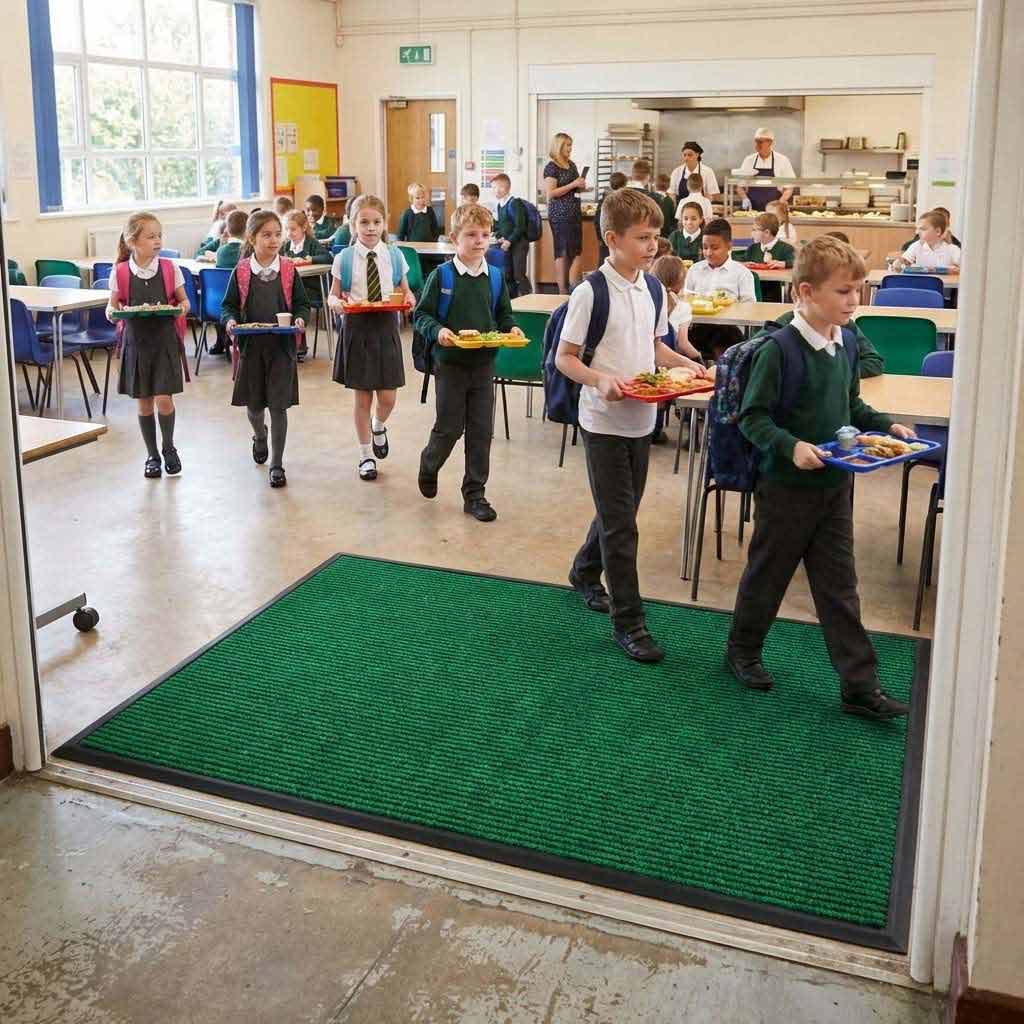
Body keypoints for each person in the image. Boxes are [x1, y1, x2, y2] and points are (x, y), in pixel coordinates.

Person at [725, 236, 915, 720]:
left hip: (835, 485)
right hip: (786, 488)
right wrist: (792, 446)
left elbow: (851, 405)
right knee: (768, 575)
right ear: (806, 292)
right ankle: (742, 651)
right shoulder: (780, 349)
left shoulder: (846, 342)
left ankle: (859, 687)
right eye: (844, 291)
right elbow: (753, 417)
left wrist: (886, 424)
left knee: (840, 587)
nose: (855, 301)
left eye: (859, 290)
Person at [555, 189, 706, 663]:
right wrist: (600, 380)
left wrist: (688, 364)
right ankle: (630, 624)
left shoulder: (654, 289)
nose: (651, 245)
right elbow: (565, 358)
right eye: (641, 237)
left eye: (655, 236)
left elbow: (655, 346)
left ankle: (584, 569)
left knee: (619, 511)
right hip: (602, 421)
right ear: (612, 239)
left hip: (643, 417)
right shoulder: (590, 293)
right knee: (622, 525)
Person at [414, 203, 524, 521]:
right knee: (449, 428)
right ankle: (430, 462)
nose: (479, 241)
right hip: (450, 363)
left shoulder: (495, 277)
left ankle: (475, 494)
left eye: (485, 235)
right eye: (471, 235)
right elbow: (421, 315)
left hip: (484, 364)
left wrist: (511, 328)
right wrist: (439, 331)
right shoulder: (442, 276)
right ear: (454, 238)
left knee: (481, 431)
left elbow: (503, 314)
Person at [327, 194, 415, 482]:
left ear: (384, 223)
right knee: (362, 397)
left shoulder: (395, 255)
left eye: (376, 222)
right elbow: (333, 294)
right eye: (364, 222)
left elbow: (405, 290)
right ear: (353, 224)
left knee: (388, 397)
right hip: (357, 328)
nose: (370, 228)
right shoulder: (344, 258)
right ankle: (365, 455)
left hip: (386, 326)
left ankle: (379, 425)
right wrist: (335, 303)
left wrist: (410, 298)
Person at [221, 211, 310, 489]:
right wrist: (230, 321)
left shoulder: (289, 269)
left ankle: (277, 464)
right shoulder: (242, 271)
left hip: (282, 348)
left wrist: (300, 319)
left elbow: (302, 304)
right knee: (254, 407)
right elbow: (228, 306)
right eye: (266, 235)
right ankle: (260, 436)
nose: (274, 240)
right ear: (252, 238)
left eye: (277, 234)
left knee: (279, 407)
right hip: (252, 348)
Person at [107, 212, 190, 478]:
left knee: (164, 399)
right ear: (132, 241)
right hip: (136, 344)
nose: (158, 241)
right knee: (144, 403)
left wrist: (181, 309)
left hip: (164, 341)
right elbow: (112, 307)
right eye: (151, 236)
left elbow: (184, 301)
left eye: (159, 236)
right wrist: (113, 313)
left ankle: (169, 447)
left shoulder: (169, 268)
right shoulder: (120, 271)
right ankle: (152, 455)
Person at [684, 218, 757, 361]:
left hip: (729, 328)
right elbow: (686, 300)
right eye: (705, 247)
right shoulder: (694, 270)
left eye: (715, 248)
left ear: (729, 246)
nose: (708, 252)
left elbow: (750, 308)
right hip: (700, 326)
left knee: (722, 337)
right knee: (680, 339)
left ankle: (721, 372)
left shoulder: (742, 273)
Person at [543, 132, 587, 294]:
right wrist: (573, 184)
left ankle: (573, 289)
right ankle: (562, 291)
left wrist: (581, 186)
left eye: (571, 145)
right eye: (567, 145)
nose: (570, 148)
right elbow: (551, 193)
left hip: (574, 213)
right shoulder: (551, 167)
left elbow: (573, 187)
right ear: (559, 146)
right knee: (562, 252)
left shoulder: (571, 165)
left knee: (575, 251)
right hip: (560, 215)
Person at [736, 128, 796, 211]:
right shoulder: (749, 160)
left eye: (760, 142)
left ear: (770, 142)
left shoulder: (782, 160)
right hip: (752, 208)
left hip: (774, 208)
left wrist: (779, 203)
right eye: (756, 141)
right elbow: (740, 186)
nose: (757, 144)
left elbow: (789, 187)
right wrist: (745, 199)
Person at [492, 172, 532, 298]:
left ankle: (528, 298)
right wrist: (499, 236)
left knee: (519, 275)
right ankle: (512, 301)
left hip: (519, 244)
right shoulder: (500, 205)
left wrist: (509, 240)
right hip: (507, 245)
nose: (496, 190)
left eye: (499, 187)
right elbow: (501, 226)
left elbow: (520, 226)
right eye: (494, 187)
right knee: (508, 275)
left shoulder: (515, 203)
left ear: (507, 188)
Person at [896, 210, 961, 270]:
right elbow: (902, 262)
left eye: (923, 229)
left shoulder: (952, 249)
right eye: (917, 229)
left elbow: (964, 268)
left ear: (938, 231)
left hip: (943, 279)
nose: (917, 232)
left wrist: (956, 269)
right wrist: (898, 263)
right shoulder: (916, 246)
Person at [628, 160, 676, 230]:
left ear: (632, 174)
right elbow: (661, 224)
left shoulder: (617, 195)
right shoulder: (655, 198)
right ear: (648, 177)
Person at [594, 172, 627, 264]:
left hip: (605, 237)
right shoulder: (624, 201)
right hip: (619, 238)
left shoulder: (603, 199)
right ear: (625, 185)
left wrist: (599, 237)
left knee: (604, 263)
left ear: (610, 183)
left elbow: (596, 220)